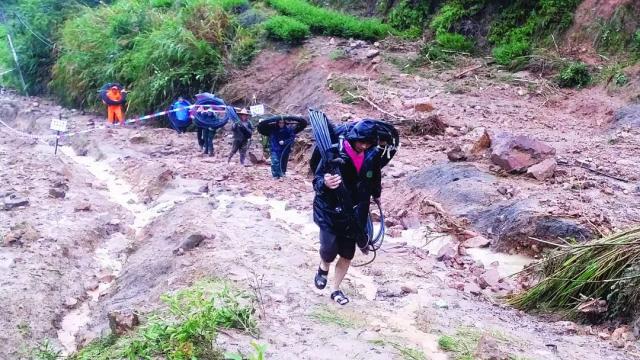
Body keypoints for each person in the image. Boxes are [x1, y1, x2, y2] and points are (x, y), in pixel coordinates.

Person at [312, 120, 382, 305]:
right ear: (354, 138)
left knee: (347, 253)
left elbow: (374, 177)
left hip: (356, 211)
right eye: (361, 142)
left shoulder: (372, 155)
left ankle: (335, 290)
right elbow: (317, 179)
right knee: (329, 249)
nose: (364, 146)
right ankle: (323, 266)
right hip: (330, 209)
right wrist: (325, 183)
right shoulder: (333, 151)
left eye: (368, 143)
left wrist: (376, 195)